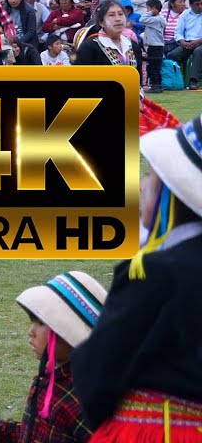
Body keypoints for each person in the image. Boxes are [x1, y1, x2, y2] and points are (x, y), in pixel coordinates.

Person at [72, 115, 202, 441]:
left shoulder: (156, 272)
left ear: (172, 196)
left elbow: (99, 371)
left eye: (152, 176)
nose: (143, 184)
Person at [0, 272, 107, 443]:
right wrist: (0, 432)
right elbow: (35, 433)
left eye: (41, 323)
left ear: (65, 333)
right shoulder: (50, 381)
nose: (31, 331)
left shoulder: (84, 399)